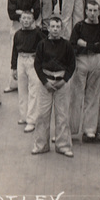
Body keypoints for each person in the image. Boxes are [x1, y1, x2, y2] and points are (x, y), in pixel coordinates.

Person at [32, 16, 76, 157]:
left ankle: (63, 146)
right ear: (48, 28)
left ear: (61, 28)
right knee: (42, 115)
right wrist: (45, 82)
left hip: (62, 84)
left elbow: (71, 65)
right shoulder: (42, 45)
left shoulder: (67, 45)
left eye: (58, 27)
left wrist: (64, 80)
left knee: (62, 115)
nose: (55, 29)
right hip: (46, 83)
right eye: (53, 27)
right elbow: (37, 65)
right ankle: (41, 145)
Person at [69, 1, 100, 139]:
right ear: (85, 11)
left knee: (93, 94)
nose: (92, 13)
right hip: (81, 60)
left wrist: (85, 44)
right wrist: (92, 46)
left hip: (96, 60)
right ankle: (72, 129)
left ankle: (90, 128)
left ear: (99, 12)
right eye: (90, 10)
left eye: (95, 10)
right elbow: (73, 45)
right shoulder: (79, 26)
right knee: (76, 95)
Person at [6, 0, 43, 94]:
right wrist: (28, 13)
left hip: (31, 28)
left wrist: (20, 12)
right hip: (16, 28)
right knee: (15, 53)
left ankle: (30, 82)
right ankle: (13, 83)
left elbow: (36, 13)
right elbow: (12, 15)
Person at [11, 10, 45, 132]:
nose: (26, 21)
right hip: (21, 60)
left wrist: (40, 61)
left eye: (28, 18)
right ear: (20, 20)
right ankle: (23, 115)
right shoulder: (17, 34)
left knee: (34, 90)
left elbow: (44, 46)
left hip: (32, 60)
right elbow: (14, 51)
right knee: (22, 88)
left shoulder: (38, 33)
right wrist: (14, 67)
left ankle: (32, 120)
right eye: (23, 18)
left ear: (33, 21)